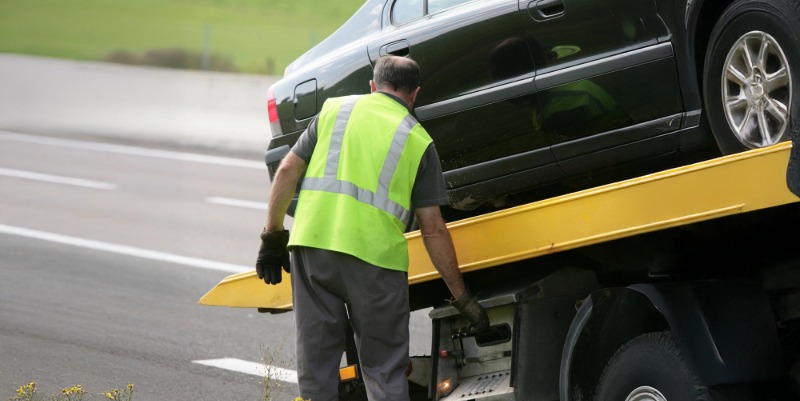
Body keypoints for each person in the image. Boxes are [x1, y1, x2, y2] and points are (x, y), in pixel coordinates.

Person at [254, 55, 489, 401]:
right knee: (383, 372)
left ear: (372, 86)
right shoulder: (418, 139)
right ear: (415, 94)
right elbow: (433, 230)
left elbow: (288, 170)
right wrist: (461, 295)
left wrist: (272, 236)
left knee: (317, 371)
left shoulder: (334, 110)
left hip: (313, 250)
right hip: (375, 264)